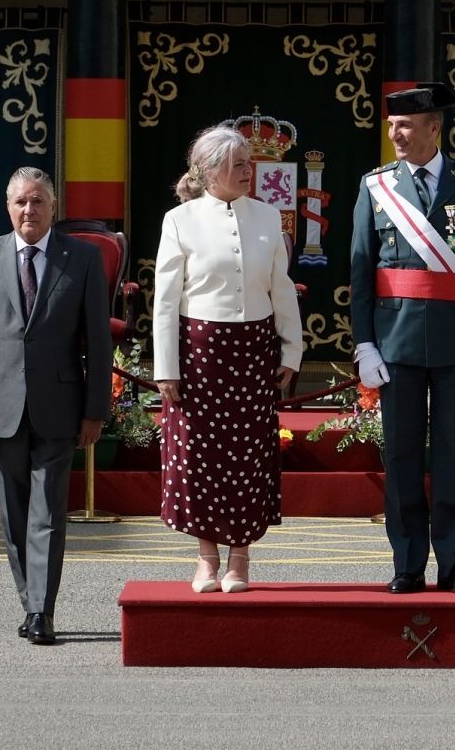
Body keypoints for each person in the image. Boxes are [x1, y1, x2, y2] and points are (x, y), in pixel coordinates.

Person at [349, 83, 455, 594]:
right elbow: (360, 272)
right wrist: (365, 344)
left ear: (434, 128)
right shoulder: (375, 186)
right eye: (392, 125)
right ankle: (407, 563)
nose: (395, 134)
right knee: (400, 457)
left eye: (406, 126)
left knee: (453, 455)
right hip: (394, 344)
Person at [0, 167, 110, 646]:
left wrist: (94, 411)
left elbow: (98, 343)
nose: (29, 210)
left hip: (60, 408)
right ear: (7, 207)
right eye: (21, 201)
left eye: (38, 201)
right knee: (14, 515)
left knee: (47, 513)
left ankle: (42, 610)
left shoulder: (81, 259)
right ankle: (29, 599)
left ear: (53, 207)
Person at [153, 125, 304, 596]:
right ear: (209, 171)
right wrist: (166, 367)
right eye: (237, 164)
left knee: (248, 456)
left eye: (248, 163)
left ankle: (240, 557)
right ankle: (206, 558)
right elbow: (164, 300)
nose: (247, 171)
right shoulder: (179, 220)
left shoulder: (268, 217)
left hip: (253, 352)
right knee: (201, 457)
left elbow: (282, 288)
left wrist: (292, 348)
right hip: (200, 354)